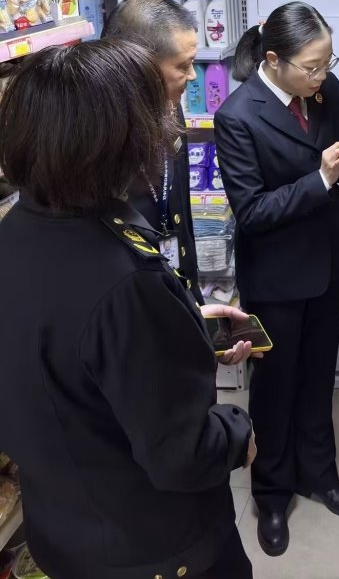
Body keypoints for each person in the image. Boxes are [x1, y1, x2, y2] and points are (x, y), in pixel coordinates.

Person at [0, 40, 255, 579]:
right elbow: (182, 453)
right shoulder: (124, 279)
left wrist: (181, 329)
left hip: (63, 534)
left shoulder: (17, 231)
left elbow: (67, 363)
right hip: (157, 549)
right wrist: (239, 433)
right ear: (118, 143)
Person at [214, 1, 339, 557]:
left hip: (328, 258)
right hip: (277, 274)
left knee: (317, 374)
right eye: (312, 67)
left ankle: (320, 474)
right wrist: (322, 178)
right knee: (275, 385)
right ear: (274, 60)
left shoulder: (325, 90)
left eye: (328, 63)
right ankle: (272, 493)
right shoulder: (238, 116)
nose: (322, 75)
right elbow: (252, 212)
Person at [102, 0, 251, 365]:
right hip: (134, 327)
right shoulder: (97, 141)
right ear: (137, 64)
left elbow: (178, 215)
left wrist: (195, 314)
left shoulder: (169, 109)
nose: (192, 76)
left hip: (176, 293)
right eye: (183, 66)